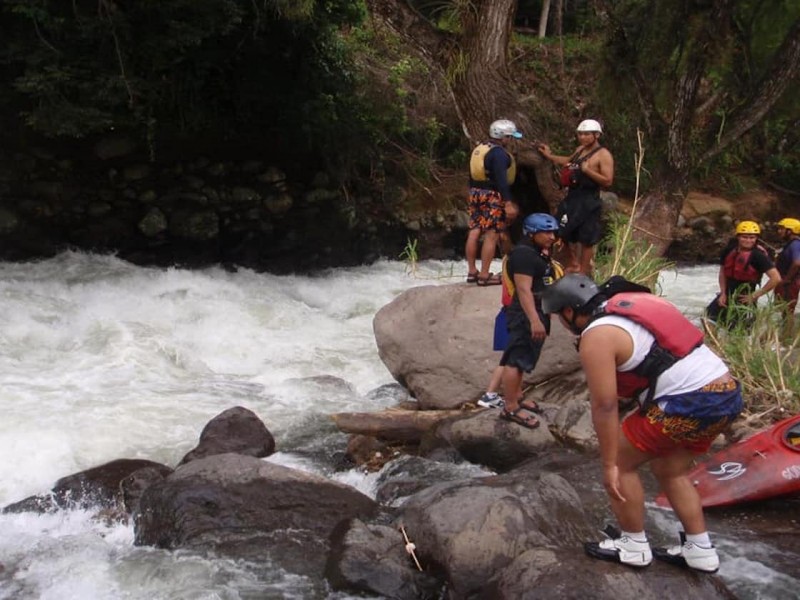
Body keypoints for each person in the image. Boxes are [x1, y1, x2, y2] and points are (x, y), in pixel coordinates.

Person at [541, 274, 743, 573]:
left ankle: (633, 545)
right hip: (727, 395)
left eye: (559, 314)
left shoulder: (596, 335)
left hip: (690, 402)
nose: (560, 320)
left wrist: (609, 463)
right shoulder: (626, 306)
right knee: (669, 469)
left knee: (621, 464)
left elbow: (605, 404)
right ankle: (700, 550)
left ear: (570, 311)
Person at [498, 212, 562, 428]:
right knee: (515, 358)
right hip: (526, 311)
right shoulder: (524, 254)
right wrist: (534, 320)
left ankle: (518, 397)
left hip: (538, 308)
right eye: (546, 232)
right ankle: (510, 407)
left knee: (525, 356)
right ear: (533, 233)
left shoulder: (537, 252)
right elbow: (524, 290)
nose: (552, 236)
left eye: (553, 231)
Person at [537, 119, 614, 276]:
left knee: (586, 238)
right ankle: (573, 263)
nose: (583, 137)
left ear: (596, 135)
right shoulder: (580, 149)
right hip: (572, 197)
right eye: (580, 134)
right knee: (559, 230)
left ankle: (584, 272)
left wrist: (588, 171)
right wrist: (549, 155)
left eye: (587, 134)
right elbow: (568, 161)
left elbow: (608, 180)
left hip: (589, 199)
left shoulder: (603, 155)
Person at [466, 119, 522, 286]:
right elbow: (501, 181)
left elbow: (472, 175)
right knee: (492, 234)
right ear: (503, 137)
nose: (510, 140)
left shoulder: (480, 149)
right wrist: (508, 202)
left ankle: (472, 271)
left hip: (476, 193)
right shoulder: (498, 154)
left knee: (475, 231)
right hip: (492, 195)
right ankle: (484, 275)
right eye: (509, 137)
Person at [705, 220, 781, 328]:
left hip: (745, 296)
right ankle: (714, 344)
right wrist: (723, 293)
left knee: (738, 330)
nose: (748, 240)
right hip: (727, 293)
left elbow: (776, 278)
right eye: (744, 237)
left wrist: (754, 296)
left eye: (752, 238)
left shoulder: (758, 256)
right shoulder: (729, 250)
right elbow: (723, 272)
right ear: (738, 237)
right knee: (708, 319)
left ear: (756, 239)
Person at [775, 217, 800, 337]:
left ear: (790, 231)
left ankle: (787, 338)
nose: (779, 231)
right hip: (789, 282)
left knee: (787, 312)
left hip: (790, 283)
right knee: (784, 311)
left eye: (782, 229)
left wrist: (787, 279)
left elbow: (797, 263)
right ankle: (784, 335)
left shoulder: (795, 245)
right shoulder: (792, 245)